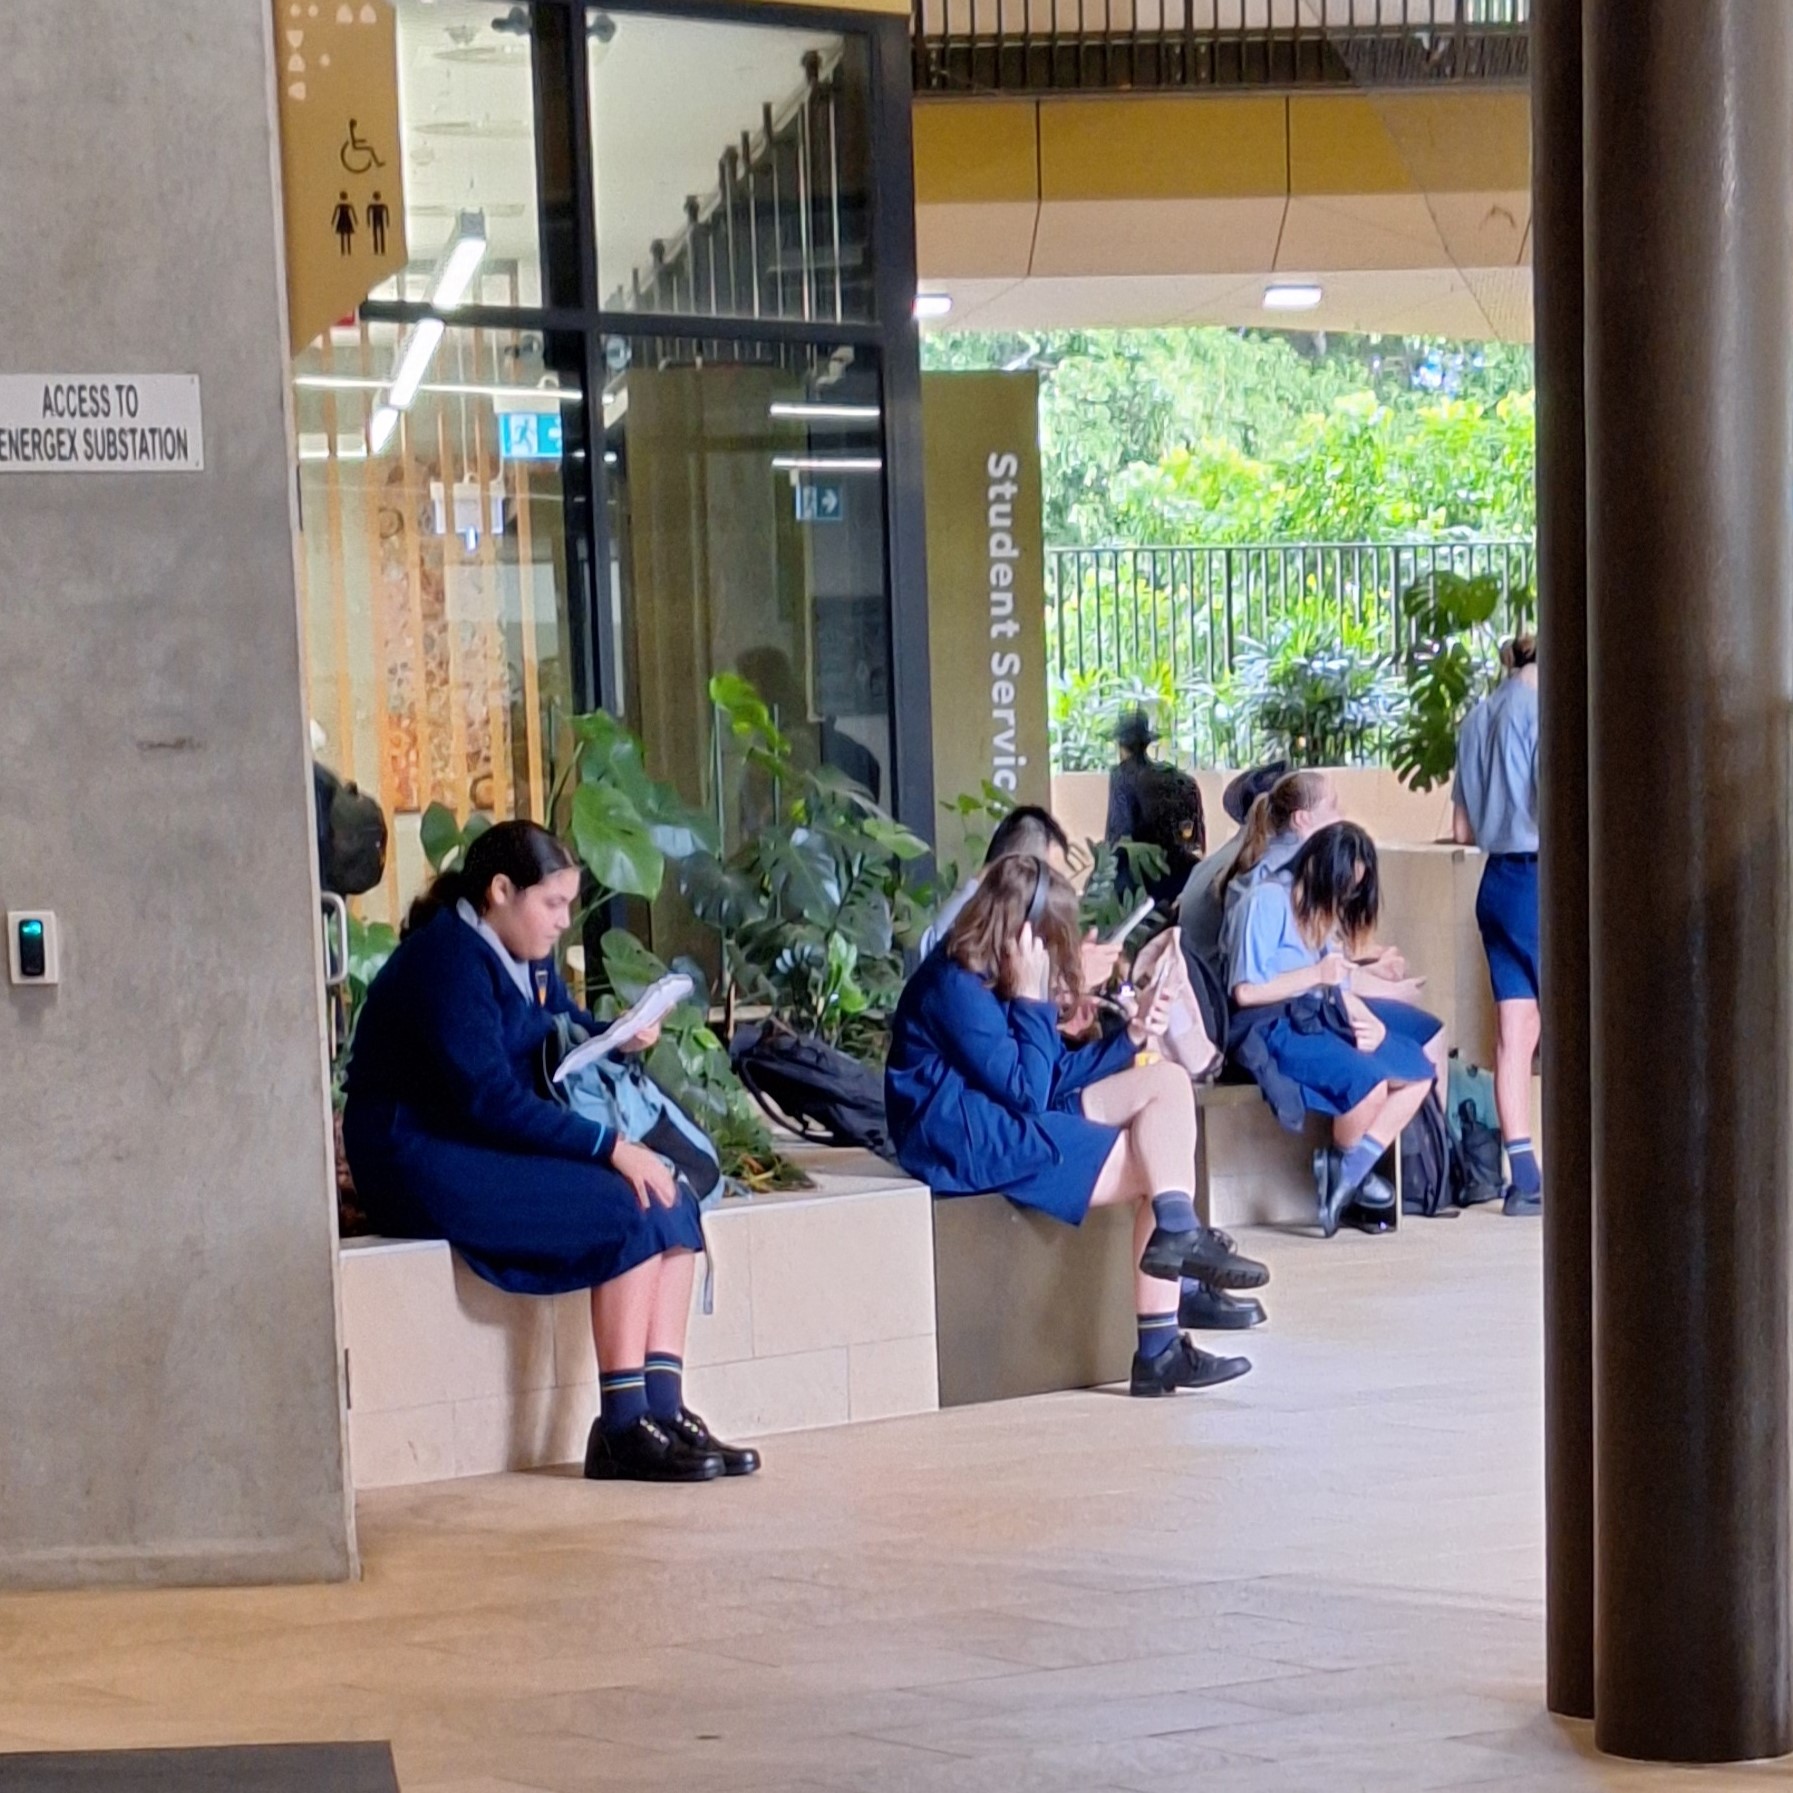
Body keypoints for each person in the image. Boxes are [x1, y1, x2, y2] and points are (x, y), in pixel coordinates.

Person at [343, 821, 759, 1485]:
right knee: (627, 1205)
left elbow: (556, 1029)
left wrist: (616, 1035)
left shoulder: (520, 952)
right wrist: (610, 1145)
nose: (564, 922)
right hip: (419, 1154)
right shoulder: (446, 961)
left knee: (669, 1198)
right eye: (553, 904)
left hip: (480, 1140)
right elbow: (487, 1100)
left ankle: (663, 1407)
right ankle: (622, 1427)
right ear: (499, 891)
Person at [886, 854, 1271, 1396]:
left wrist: (1132, 1037)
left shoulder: (987, 973)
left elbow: (1051, 1074)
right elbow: (1029, 1088)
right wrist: (1031, 997)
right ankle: (1161, 1335)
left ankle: (1179, 1232)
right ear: (1027, 933)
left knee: (1166, 1083)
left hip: (1005, 1114)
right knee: (1153, 1167)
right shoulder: (955, 986)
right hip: (964, 1140)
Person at [1223, 822, 1437, 1237]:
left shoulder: (1320, 913)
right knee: (1369, 1084)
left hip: (1318, 1015)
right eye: (1342, 885)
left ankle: (1347, 1171)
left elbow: (1336, 983)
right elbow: (1246, 992)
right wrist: (1314, 974)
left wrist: (1369, 1020)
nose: (1345, 897)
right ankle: (1349, 1176)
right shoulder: (1265, 902)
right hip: (1271, 1026)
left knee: (1417, 1070)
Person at [1211, 773, 1447, 1105]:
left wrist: (1370, 967)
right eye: (1334, 805)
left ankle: (1428, 1150)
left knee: (1419, 1055)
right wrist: (1388, 993)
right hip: (1276, 1018)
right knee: (1389, 1069)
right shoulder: (1274, 885)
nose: (1343, 812)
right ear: (1303, 819)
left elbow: (1327, 959)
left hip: (1309, 1003)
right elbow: (1302, 974)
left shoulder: (1299, 870)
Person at [1453, 635, 1541, 1218]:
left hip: (1495, 884)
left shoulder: (1475, 719)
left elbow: (1462, 829)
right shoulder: (1544, 714)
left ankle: (1524, 1175)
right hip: (1541, 880)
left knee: (1515, 1036)